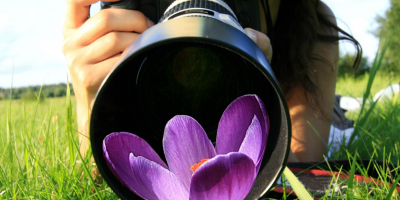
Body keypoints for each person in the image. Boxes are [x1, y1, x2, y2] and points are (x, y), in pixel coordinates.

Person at [62, 0, 361, 162]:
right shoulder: (135, 11)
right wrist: (94, 114)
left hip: (308, 97)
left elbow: (299, 163)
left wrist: (261, 88)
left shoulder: (310, 21)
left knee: (343, 116)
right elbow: (101, 177)